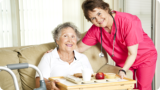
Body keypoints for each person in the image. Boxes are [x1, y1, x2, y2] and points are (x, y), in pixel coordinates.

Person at [76, 0, 157, 90]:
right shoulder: (95, 30)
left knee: (143, 88)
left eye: (99, 13)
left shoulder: (128, 21)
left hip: (144, 57)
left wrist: (123, 70)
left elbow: (132, 53)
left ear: (106, 9)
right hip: (123, 60)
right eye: (93, 18)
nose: (98, 20)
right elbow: (79, 48)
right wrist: (61, 45)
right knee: (126, 87)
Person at [35, 22, 93, 90]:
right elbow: (38, 84)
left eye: (73, 36)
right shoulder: (48, 57)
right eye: (65, 36)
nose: (70, 40)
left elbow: (92, 80)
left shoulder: (83, 58)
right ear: (57, 40)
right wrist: (49, 85)